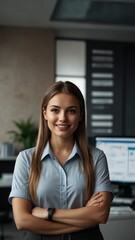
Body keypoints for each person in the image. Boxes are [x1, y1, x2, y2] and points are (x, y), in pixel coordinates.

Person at [8, 81, 113, 240]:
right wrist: (82, 219)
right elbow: (22, 220)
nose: (62, 118)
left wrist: (47, 213)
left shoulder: (96, 157)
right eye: (55, 110)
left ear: (80, 115)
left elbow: (100, 214)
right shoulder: (26, 159)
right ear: (45, 113)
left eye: (71, 111)